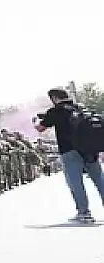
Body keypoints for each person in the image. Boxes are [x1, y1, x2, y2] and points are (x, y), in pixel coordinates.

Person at [35, 88, 104, 222]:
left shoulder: (56, 111)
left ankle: (84, 212)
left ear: (54, 98)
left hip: (69, 151)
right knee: (99, 180)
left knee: (75, 182)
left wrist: (35, 121)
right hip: (90, 150)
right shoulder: (80, 108)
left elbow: (41, 128)